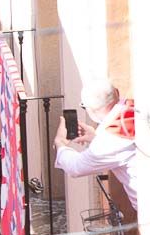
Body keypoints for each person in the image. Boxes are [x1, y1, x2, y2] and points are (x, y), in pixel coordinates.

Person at [54, 80, 138, 210]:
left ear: (91, 109)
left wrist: (60, 144)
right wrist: (96, 137)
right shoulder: (134, 106)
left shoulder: (108, 140)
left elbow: (76, 167)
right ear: (116, 93)